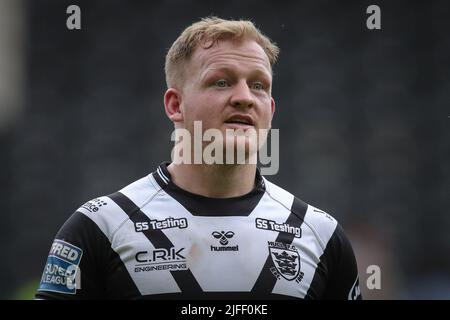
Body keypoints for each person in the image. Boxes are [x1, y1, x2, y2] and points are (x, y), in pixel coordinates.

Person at [36, 17, 362, 300]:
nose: (245, 98)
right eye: (221, 82)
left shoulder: (320, 235)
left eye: (259, 85)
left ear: (270, 111)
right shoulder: (101, 227)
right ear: (175, 105)